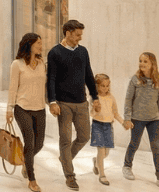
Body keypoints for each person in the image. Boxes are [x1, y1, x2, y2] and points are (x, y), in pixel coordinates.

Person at [47, 19, 101, 191]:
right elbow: (51, 79)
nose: (80, 38)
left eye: (81, 34)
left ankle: (65, 158)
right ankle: (70, 176)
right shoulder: (55, 53)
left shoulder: (83, 52)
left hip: (82, 102)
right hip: (63, 104)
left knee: (84, 136)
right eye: (78, 34)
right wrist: (52, 101)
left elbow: (88, 74)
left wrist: (95, 97)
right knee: (65, 139)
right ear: (68, 33)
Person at [122, 52, 159, 190]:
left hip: (154, 119)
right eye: (140, 61)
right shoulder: (135, 79)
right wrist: (127, 118)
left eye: (145, 61)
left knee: (156, 147)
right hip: (137, 119)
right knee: (134, 143)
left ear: (153, 65)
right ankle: (127, 166)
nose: (142, 63)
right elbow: (128, 99)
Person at [7, 33, 48, 192]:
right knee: (29, 142)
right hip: (22, 108)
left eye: (41, 43)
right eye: (38, 43)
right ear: (29, 45)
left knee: (40, 143)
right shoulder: (17, 64)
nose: (41, 46)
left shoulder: (41, 64)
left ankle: (26, 161)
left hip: (39, 108)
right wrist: (9, 109)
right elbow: (12, 88)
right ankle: (32, 180)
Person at [90, 73, 126, 186]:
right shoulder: (94, 98)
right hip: (97, 125)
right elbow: (91, 113)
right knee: (101, 151)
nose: (105, 88)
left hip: (108, 126)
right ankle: (102, 174)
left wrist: (122, 122)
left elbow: (115, 112)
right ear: (97, 86)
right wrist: (95, 109)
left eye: (107, 86)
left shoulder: (111, 97)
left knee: (106, 153)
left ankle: (96, 161)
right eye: (102, 86)